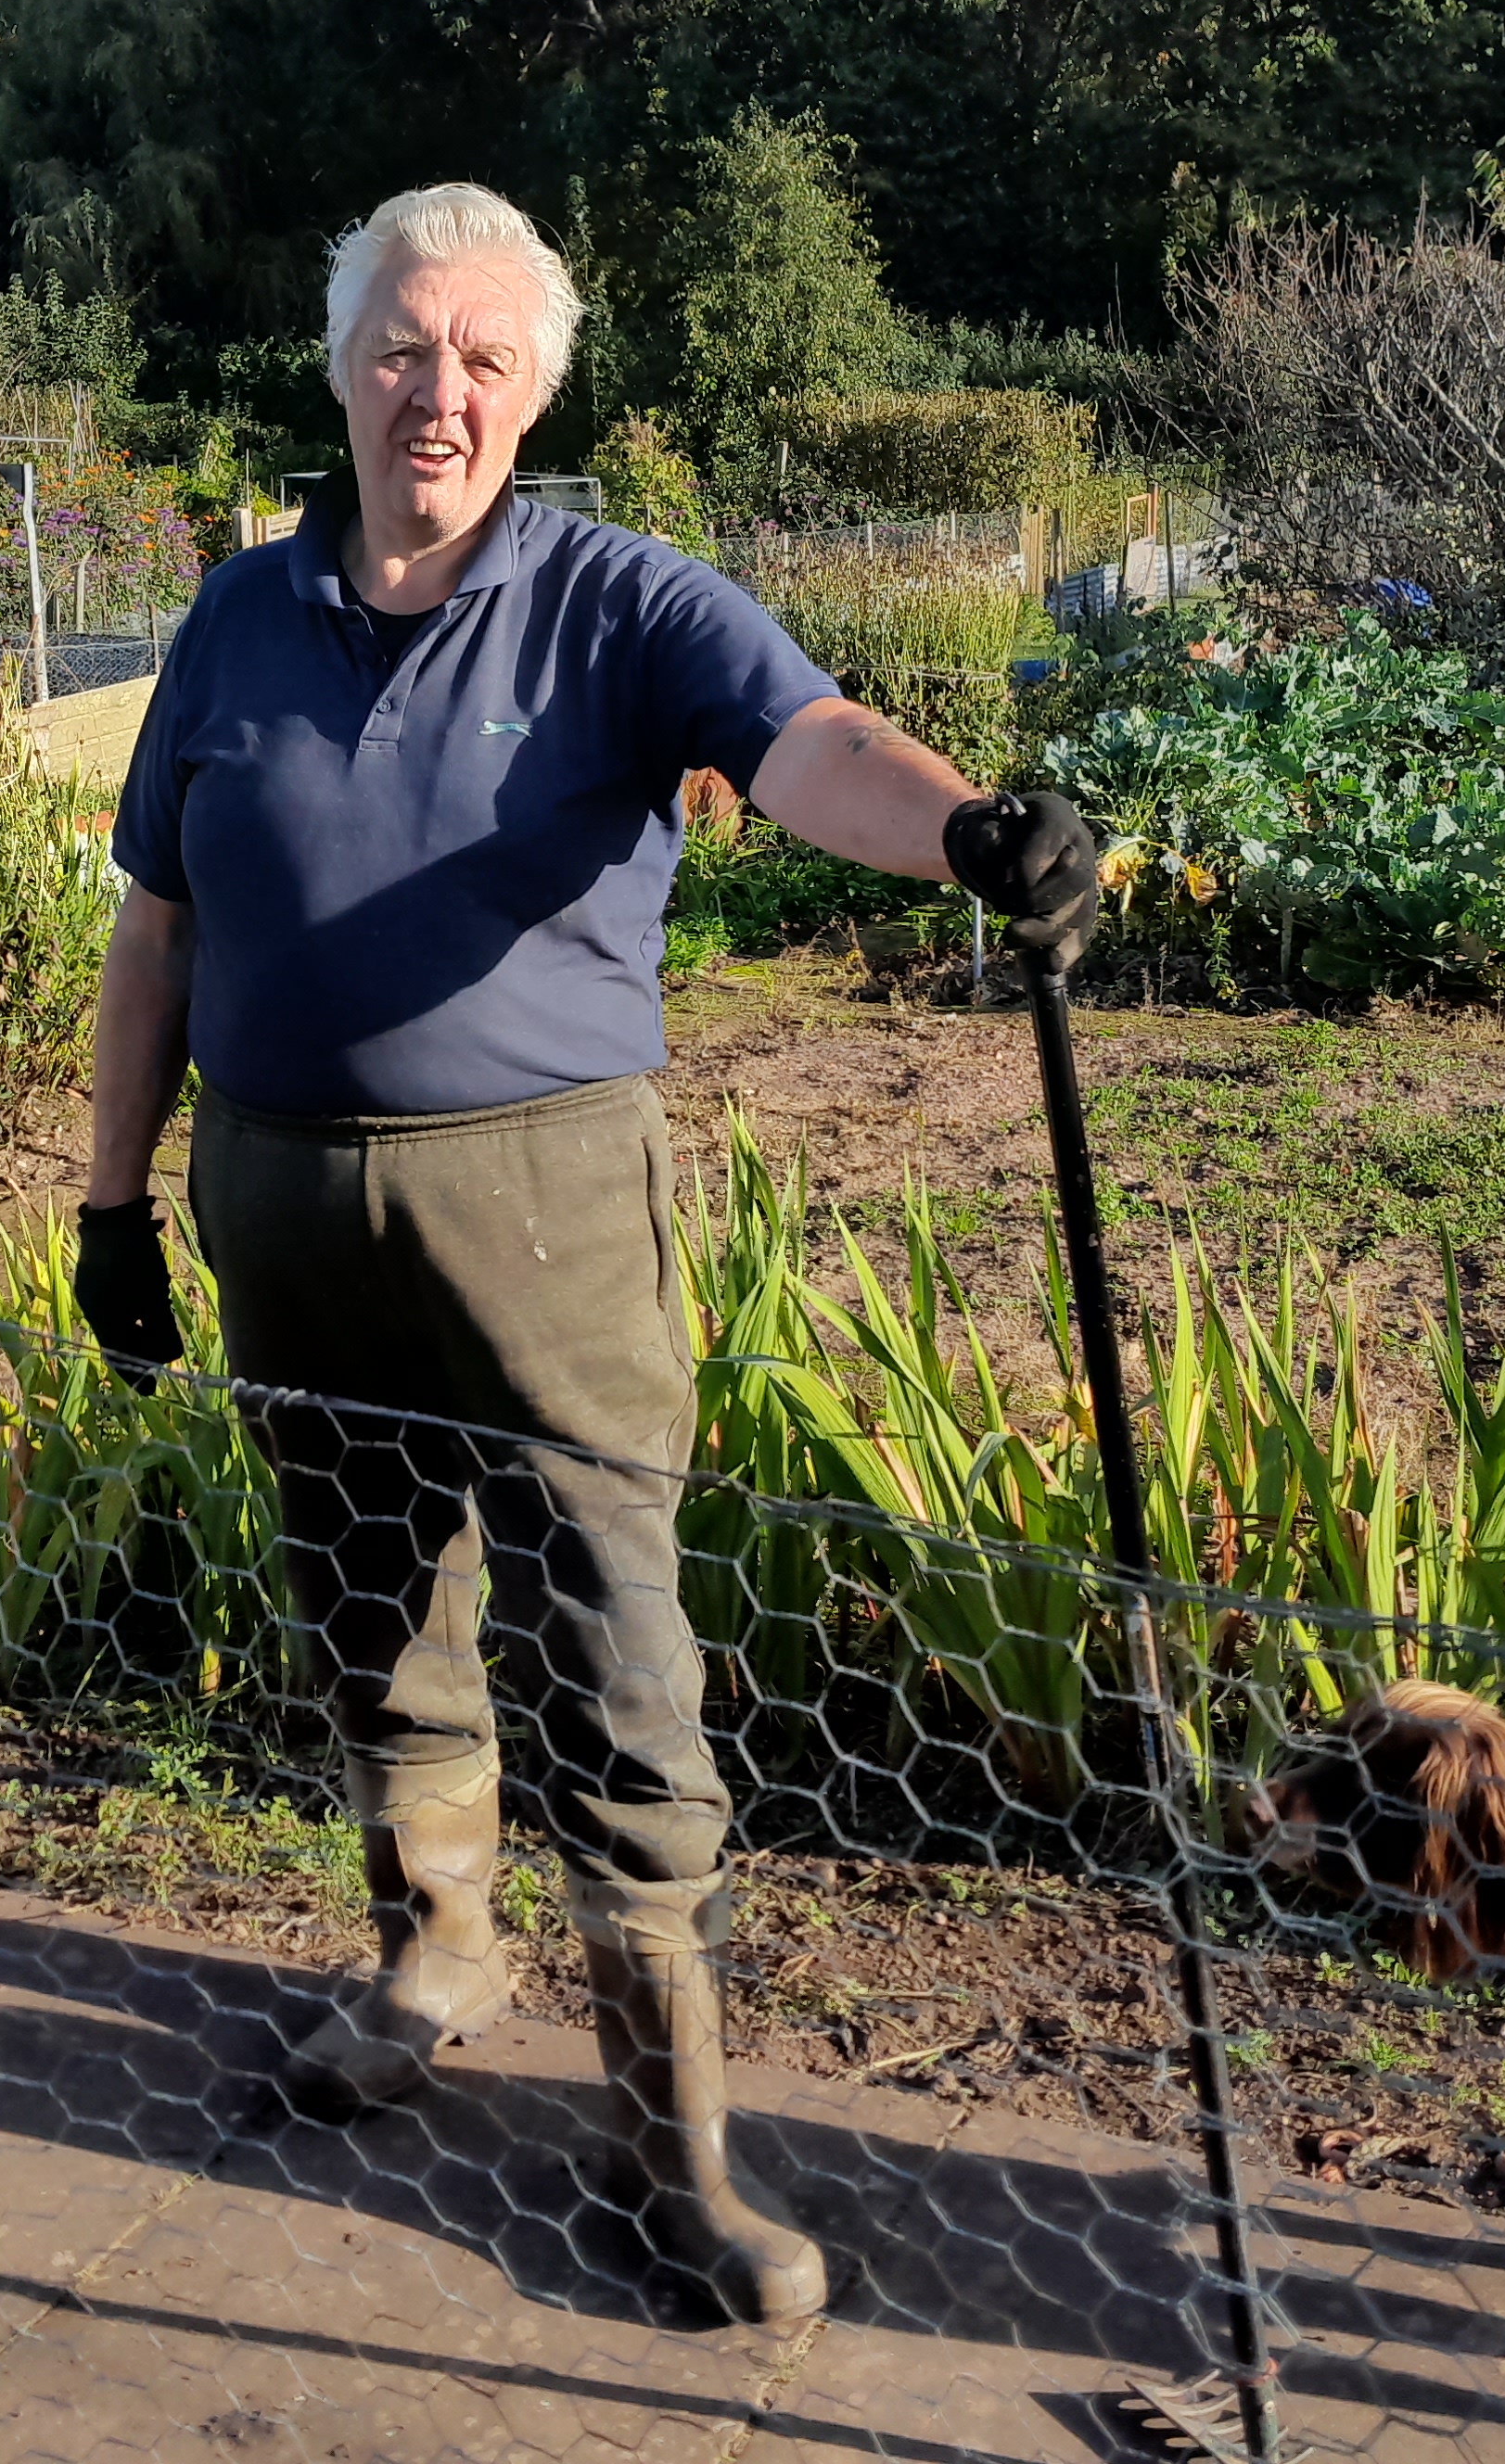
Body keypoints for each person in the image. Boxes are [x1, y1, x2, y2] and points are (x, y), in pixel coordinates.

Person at [75, 183, 1097, 2326]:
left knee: (613, 1634)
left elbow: (807, 745)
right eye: (398, 347)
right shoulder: (233, 624)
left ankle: (673, 2142)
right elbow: (157, 918)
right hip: (278, 1197)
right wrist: (109, 1204)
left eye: (482, 358)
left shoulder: (622, 605)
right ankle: (436, 1943)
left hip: (542, 1203)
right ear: (340, 364)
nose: (434, 393)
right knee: (366, 1606)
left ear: (536, 388)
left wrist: (971, 827)